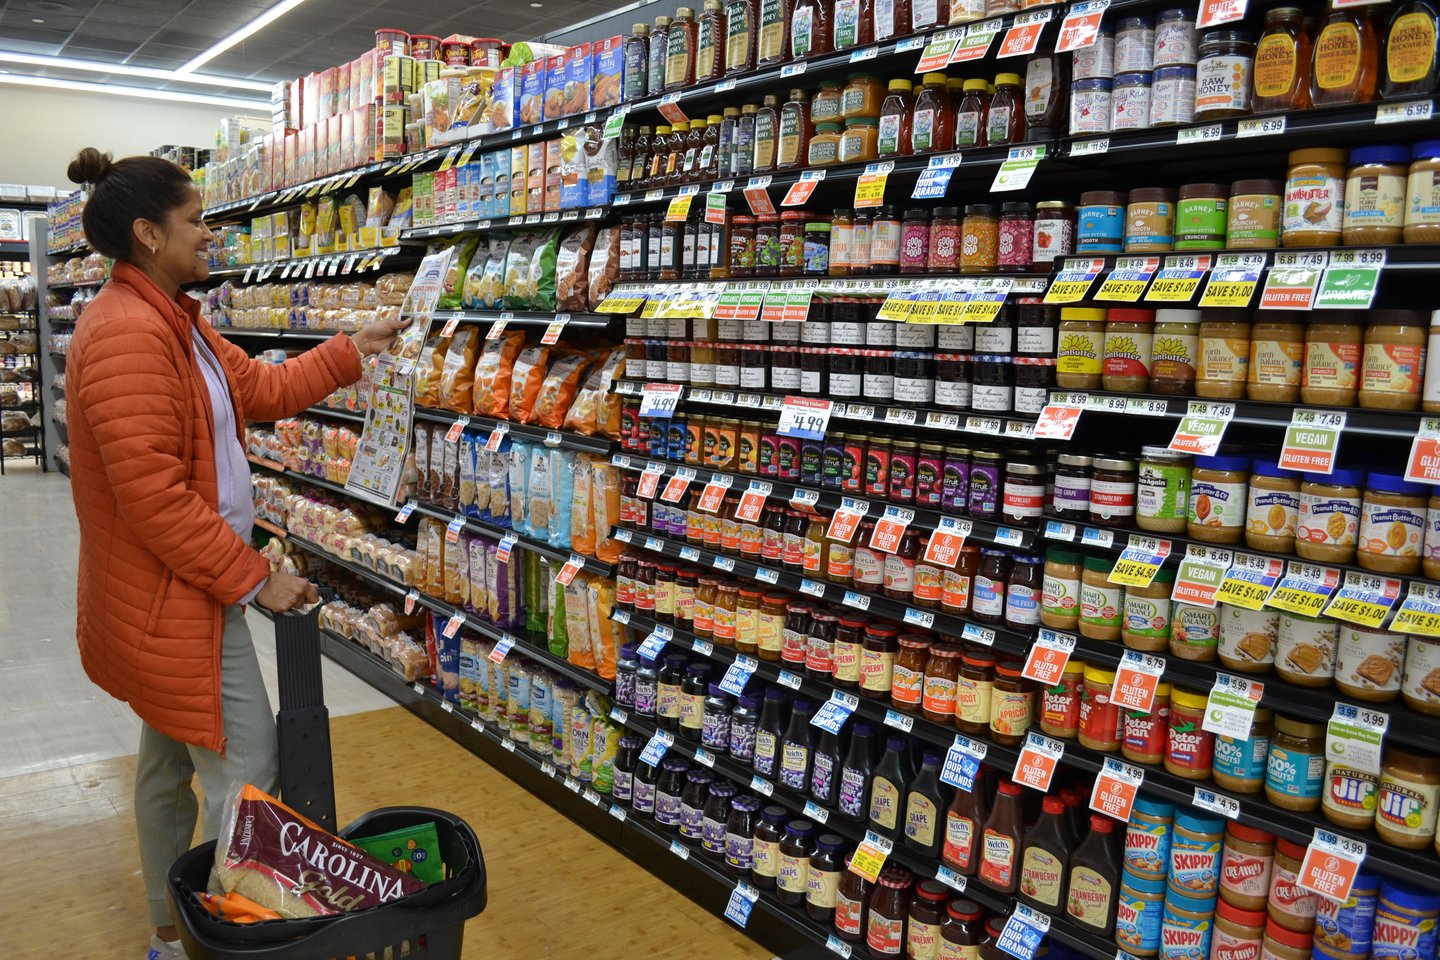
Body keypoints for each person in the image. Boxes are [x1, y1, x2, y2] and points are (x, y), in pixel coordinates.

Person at [63, 147, 406, 960]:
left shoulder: (176, 318)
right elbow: (155, 499)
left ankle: (165, 930)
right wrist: (256, 577)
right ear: (148, 235)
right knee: (247, 762)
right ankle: (224, 938)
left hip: (173, 590)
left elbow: (261, 391)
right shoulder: (126, 334)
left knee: (164, 764)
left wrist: (356, 346)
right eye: (194, 220)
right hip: (170, 594)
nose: (210, 233)